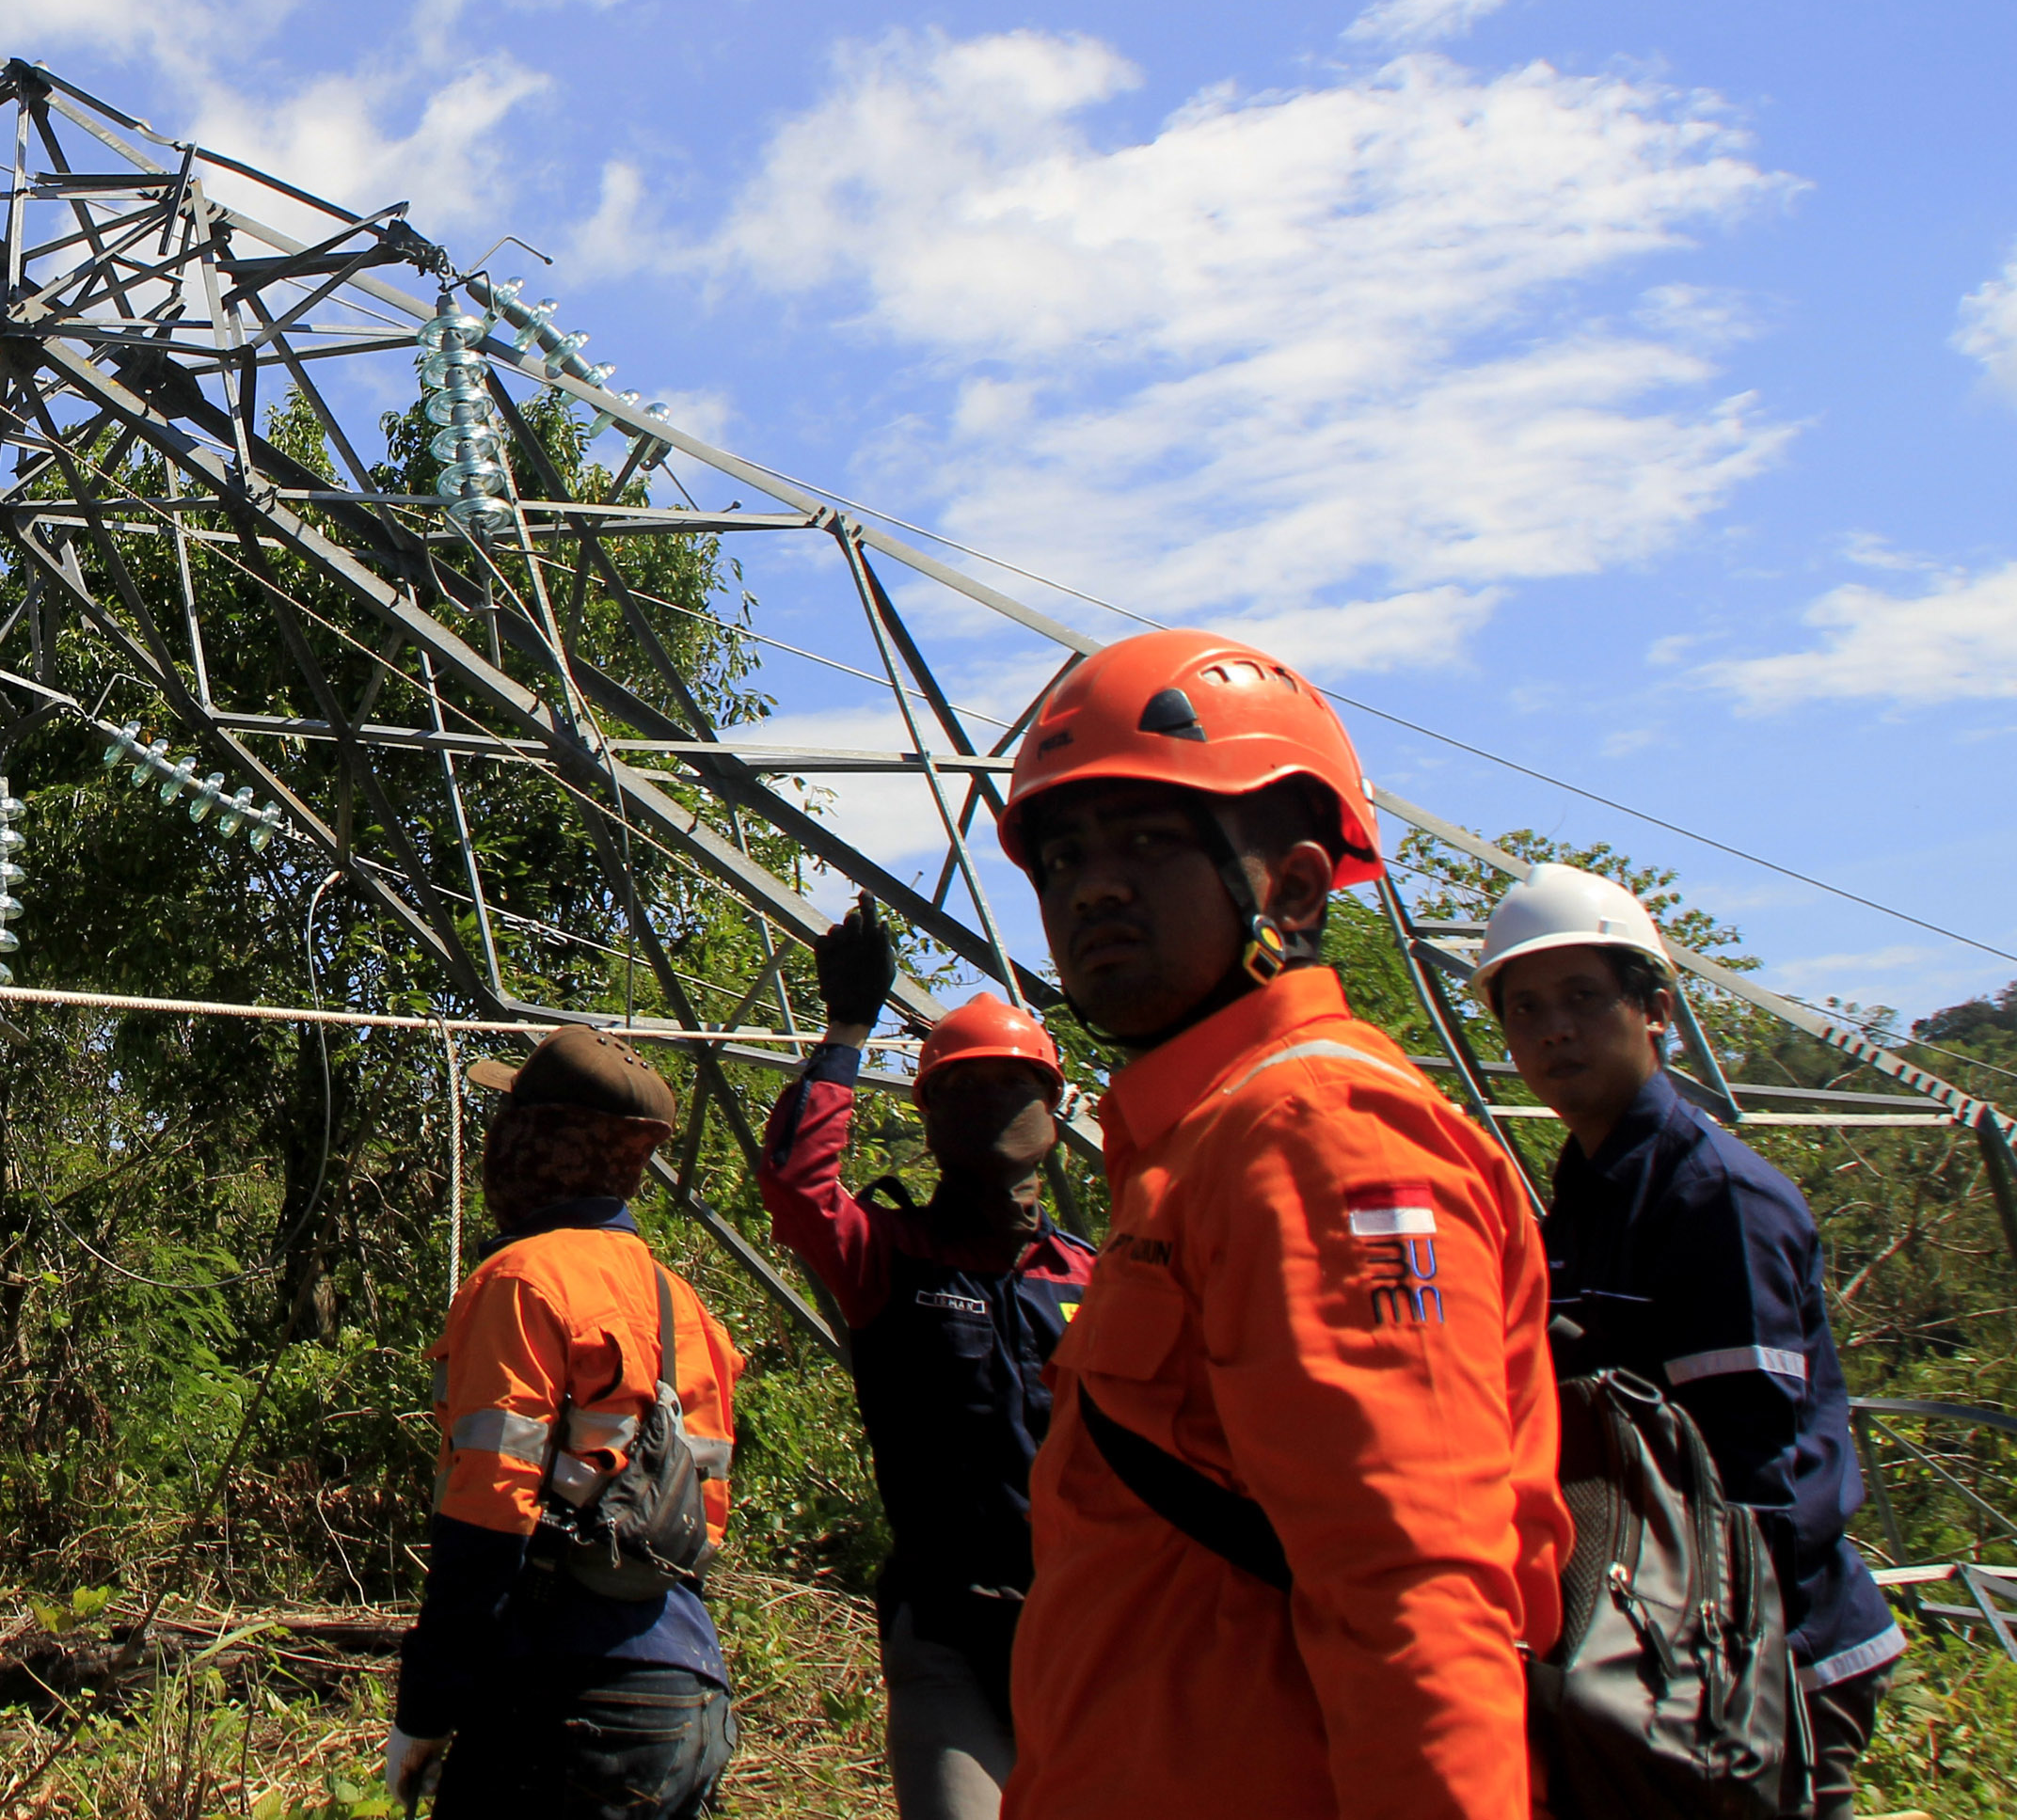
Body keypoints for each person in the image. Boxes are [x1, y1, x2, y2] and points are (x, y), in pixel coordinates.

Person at [996, 629, 1567, 1820]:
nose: (1089, 885)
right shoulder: (1197, 1147)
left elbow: (1414, 1596)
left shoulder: (1322, 1137)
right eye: (1059, 856)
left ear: (1295, 888)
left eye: (1148, 839)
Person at [1480, 862, 1904, 1818]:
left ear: (1655, 1010)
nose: (1552, 1030)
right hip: (1664, 1646)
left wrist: (1708, 1673)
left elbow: (1753, 1476)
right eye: (1525, 1009)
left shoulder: (1710, 1195)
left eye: (1584, 998)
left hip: (1767, 1658)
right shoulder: (1588, 1188)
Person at [751, 903, 1092, 1819]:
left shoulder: (1098, 1280)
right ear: (928, 1116)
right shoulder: (889, 1256)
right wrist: (846, 1032)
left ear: (1052, 1109)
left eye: (1006, 1088)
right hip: (947, 1627)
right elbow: (794, 1186)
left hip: (1097, 1632)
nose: (984, 1109)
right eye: (959, 1091)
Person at [390, 1025, 745, 1818]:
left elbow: (488, 1520)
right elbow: (698, 1529)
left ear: (533, 1142)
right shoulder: (682, 1303)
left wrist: (426, 1708)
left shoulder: (521, 1280)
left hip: (564, 1699)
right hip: (688, 1693)